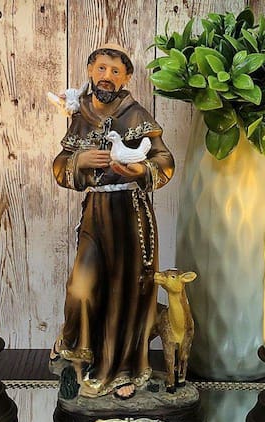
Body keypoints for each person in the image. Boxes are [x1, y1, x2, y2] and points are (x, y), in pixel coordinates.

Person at [51, 43, 175, 399]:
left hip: (130, 214)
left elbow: (164, 160)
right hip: (96, 211)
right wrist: (80, 161)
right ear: (91, 72)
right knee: (81, 287)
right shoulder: (82, 114)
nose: (107, 76)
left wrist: (140, 170)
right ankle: (79, 353)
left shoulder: (136, 115)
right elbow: (61, 164)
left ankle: (121, 370)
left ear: (126, 78)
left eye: (116, 71)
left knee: (125, 292)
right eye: (101, 69)